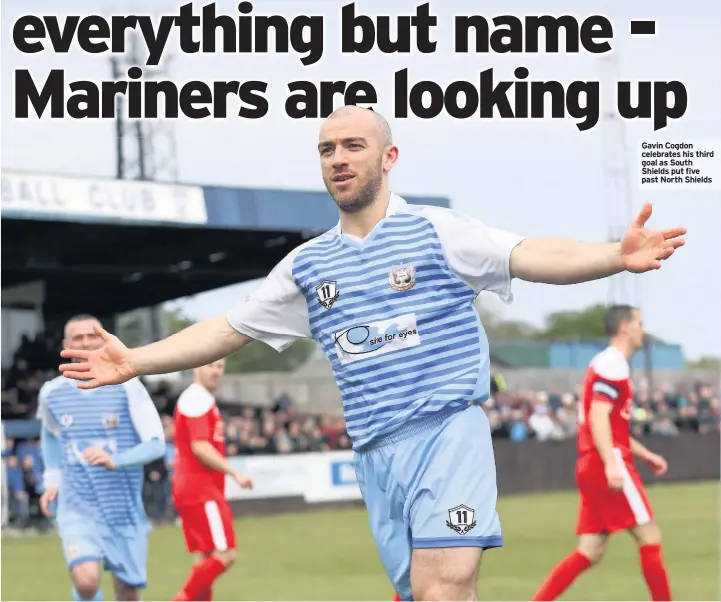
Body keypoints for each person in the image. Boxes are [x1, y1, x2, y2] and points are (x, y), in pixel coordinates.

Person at [58, 107, 686, 601]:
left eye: (353, 146)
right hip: (375, 455)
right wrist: (136, 360)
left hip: (447, 433)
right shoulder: (307, 265)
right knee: (426, 592)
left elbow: (527, 254)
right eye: (327, 149)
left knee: (440, 586)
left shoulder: (437, 230)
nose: (338, 158)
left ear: (388, 157)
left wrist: (611, 255)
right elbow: (229, 326)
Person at [532, 305, 672, 601]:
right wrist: (611, 464)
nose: (643, 329)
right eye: (640, 323)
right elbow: (598, 416)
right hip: (606, 461)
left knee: (591, 550)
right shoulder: (614, 363)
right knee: (649, 536)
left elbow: (610, 424)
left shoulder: (606, 362)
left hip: (592, 461)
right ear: (624, 327)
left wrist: (647, 455)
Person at [39, 314, 166, 602]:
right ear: (65, 345)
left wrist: (115, 460)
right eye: (77, 338)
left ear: (104, 339)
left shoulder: (129, 386)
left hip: (123, 510)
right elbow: (50, 434)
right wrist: (52, 479)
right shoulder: (52, 393)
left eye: (92, 336)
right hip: (78, 507)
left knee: (128, 591)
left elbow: (156, 445)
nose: (85, 342)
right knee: (86, 581)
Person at [171, 359, 253, 601]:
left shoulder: (202, 399)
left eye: (220, 366)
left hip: (193, 488)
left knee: (205, 558)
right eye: (210, 366)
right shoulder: (196, 399)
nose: (216, 371)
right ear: (196, 368)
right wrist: (234, 472)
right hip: (200, 489)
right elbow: (200, 446)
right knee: (226, 554)